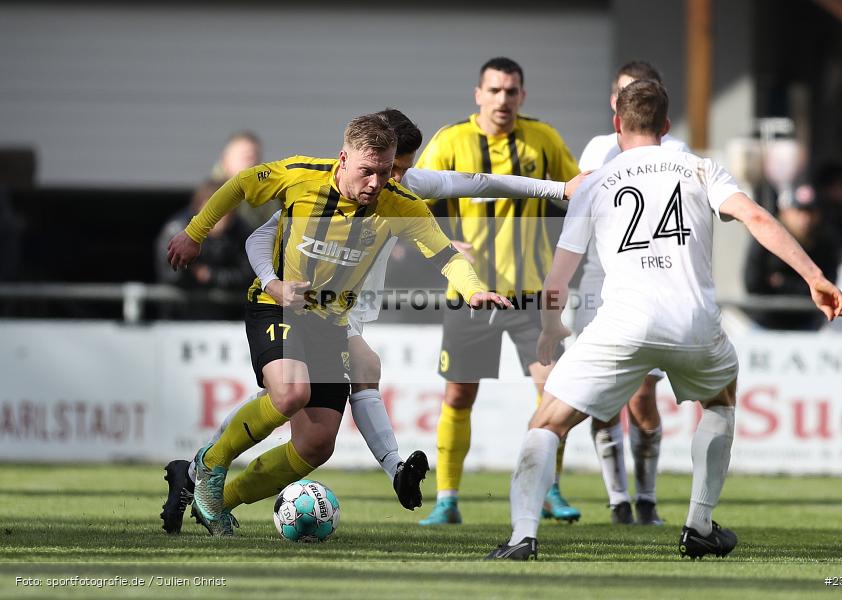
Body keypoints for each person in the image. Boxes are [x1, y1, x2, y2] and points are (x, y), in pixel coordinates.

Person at [160, 109, 582, 534]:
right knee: (291, 392)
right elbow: (239, 187)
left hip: (334, 322)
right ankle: (208, 466)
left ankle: (212, 499)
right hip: (280, 306)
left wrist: (472, 289)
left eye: (389, 171)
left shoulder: (401, 200)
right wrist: (197, 234)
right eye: (371, 172)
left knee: (317, 443)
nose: (380, 182)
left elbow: (449, 248)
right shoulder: (301, 176)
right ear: (343, 159)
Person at [486, 80, 842, 560]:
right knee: (719, 402)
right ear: (667, 125)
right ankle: (698, 524)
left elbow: (558, 279)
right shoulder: (700, 167)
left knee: (547, 422)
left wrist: (554, 327)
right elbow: (757, 218)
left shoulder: (595, 182)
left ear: (617, 124)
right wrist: (814, 275)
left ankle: (522, 538)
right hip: (694, 323)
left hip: (624, 323)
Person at [415, 57, 582, 526]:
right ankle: (447, 499)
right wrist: (445, 241)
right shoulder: (450, 141)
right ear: (478, 94)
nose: (503, 100)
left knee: (554, 393)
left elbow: (578, 191)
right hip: (470, 295)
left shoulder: (543, 139)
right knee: (458, 395)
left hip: (531, 296)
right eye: (494, 91)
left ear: (522, 96)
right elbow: (408, 202)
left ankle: (549, 490)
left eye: (511, 91)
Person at [576, 60, 689, 526]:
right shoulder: (598, 151)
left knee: (643, 397)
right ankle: (618, 500)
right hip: (600, 285)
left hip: (650, 287)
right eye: (625, 94)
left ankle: (646, 499)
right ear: (614, 104)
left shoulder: (677, 150)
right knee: (602, 398)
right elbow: (582, 218)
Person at [744, 184, 840, 330]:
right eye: (799, 211)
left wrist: (783, 283)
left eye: (810, 212)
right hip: (766, 324)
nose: (805, 218)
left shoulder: (826, 243)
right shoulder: (763, 240)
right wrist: (804, 286)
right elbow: (753, 284)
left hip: (807, 324)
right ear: (784, 212)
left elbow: (828, 286)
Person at [155, 180, 255, 320]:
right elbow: (171, 274)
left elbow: (250, 274)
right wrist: (191, 271)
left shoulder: (243, 233)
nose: (220, 217)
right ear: (198, 208)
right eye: (213, 211)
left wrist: (211, 275)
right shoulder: (176, 231)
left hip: (229, 320)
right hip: (180, 317)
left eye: (225, 210)